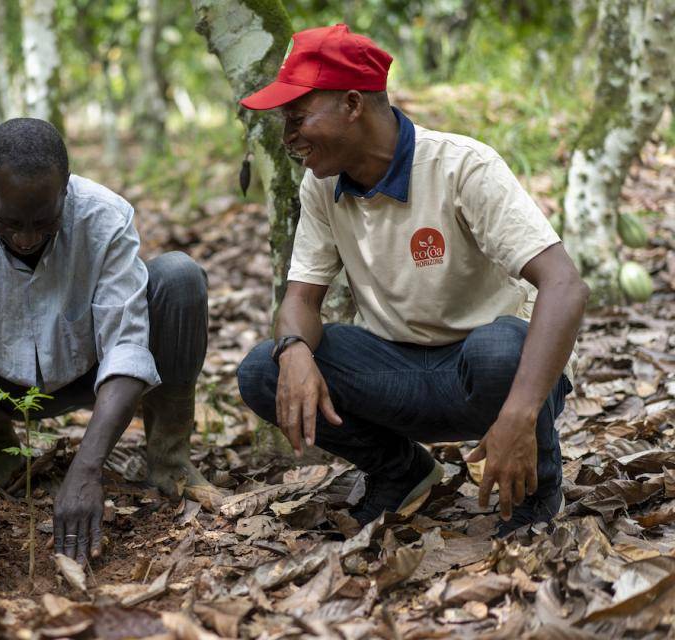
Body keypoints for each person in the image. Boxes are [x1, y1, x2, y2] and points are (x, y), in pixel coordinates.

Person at [235, 25, 588, 538]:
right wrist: (292, 350)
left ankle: (536, 489)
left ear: (353, 104)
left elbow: (565, 285)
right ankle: (403, 472)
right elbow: (300, 298)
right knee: (261, 371)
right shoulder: (322, 184)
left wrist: (519, 412)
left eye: (297, 118)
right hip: (394, 371)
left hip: (488, 375)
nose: (288, 138)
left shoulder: (462, 166)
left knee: (499, 348)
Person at [0, 118, 222, 588]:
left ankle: (169, 460)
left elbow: (125, 346)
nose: (25, 237)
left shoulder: (105, 216)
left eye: (43, 222)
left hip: (88, 371)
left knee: (179, 277)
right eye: (8, 222)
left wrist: (87, 469)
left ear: (66, 188)